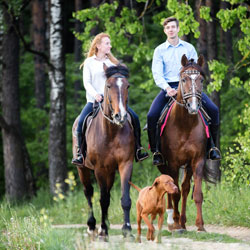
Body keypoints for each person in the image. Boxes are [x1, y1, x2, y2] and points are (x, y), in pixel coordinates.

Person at [147, 17, 221, 166]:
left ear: (178, 29)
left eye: (173, 27)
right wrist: (167, 88)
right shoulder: (159, 50)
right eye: (168, 28)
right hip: (169, 87)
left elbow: (195, 69)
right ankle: (156, 151)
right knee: (152, 115)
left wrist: (192, 85)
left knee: (213, 110)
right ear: (165, 31)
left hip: (189, 86)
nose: (171, 30)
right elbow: (157, 73)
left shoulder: (188, 48)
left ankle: (212, 147)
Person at [72, 33, 149, 165]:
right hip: (94, 101)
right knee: (80, 123)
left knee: (135, 118)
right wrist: (96, 95)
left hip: (114, 103)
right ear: (98, 46)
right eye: (107, 43)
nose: (110, 45)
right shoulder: (89, 62)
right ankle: (81, 153)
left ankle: (138, 149)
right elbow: (87, 82)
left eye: (110, 43)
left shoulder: (112, 63)